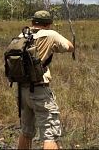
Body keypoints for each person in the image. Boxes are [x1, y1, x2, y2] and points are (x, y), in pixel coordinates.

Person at [17, 10, 74, 150]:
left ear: (32, 22)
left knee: (26, 132)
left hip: (21, 90)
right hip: (39, 90)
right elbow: (69, 47)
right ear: (48, 24)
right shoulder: (50, 34)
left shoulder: (22, 35)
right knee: (50, 134)